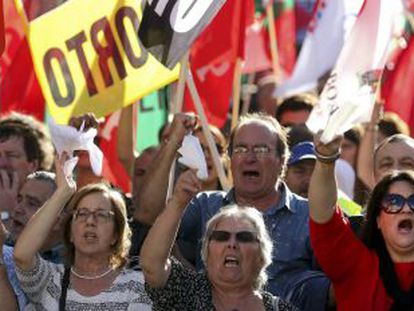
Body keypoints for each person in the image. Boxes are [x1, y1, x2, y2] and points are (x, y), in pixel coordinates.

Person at [139, 113, 332, 310]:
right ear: (230, 159)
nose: (250, 158)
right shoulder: (204, 205)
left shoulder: (311, 216)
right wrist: (173, 142)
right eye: (240, 149)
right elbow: (147, 218)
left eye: (261, 149)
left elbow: (339, 288)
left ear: (282, 161)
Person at [140, 169, 295, 310]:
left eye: (244, 238)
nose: (232, 244)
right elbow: (151, 265)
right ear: (207, 251)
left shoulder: (280, 309)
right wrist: (178, 202)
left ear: (262, 256)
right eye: (221, 237)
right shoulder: (186, 290)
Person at [13, 153, 152, 310]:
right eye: (82, 214)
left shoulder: (135, 287)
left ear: (116, 234)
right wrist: (63, 192)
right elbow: (22, 255)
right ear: (71, 233)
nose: (90, 221)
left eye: (101, 215)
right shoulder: (51, 280)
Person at [309, 134, 414, 310]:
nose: (405, 209)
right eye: (393, 202)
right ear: (378, 218)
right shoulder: (355, 264)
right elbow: (324, 216)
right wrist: (325, 160)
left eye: (413, 201)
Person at [0, 112, 54, 225]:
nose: (2, 163)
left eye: (12, 155)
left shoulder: (49, 206)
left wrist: (6, 212)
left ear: (33, 165)